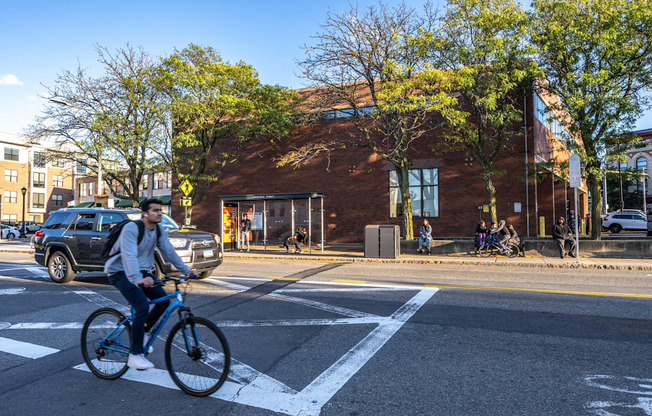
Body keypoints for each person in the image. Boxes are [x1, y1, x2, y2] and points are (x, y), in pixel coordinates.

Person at [104, 198, 197, 370]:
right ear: (145, 213)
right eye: (155, 210)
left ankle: (144, 332)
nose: (159, 213)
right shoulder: (131, 229)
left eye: (160, 210)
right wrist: (137, 278)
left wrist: (187, 271)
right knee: (141, 307)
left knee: (163, 300)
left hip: (142, 271)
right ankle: (135, 355)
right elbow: (129, 256)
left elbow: (169, 251)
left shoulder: (159, 230)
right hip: (120, 271)